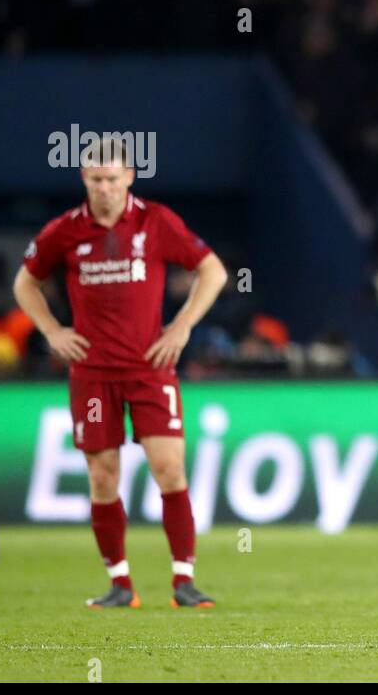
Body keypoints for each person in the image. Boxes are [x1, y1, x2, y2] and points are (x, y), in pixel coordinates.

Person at [12, 136, 228, 608]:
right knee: (103, 476)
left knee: (169, 468)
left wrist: (182, 326)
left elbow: (212, 270)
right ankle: (120, 584)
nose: (105, 188)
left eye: (113, 178)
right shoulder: (64, 232)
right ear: (83, 180)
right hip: (92, 373)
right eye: (95, 179)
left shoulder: (155, 222)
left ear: (130, 177)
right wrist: (51, 330)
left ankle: (183, 581)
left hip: (150, 366)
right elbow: (26, 281)